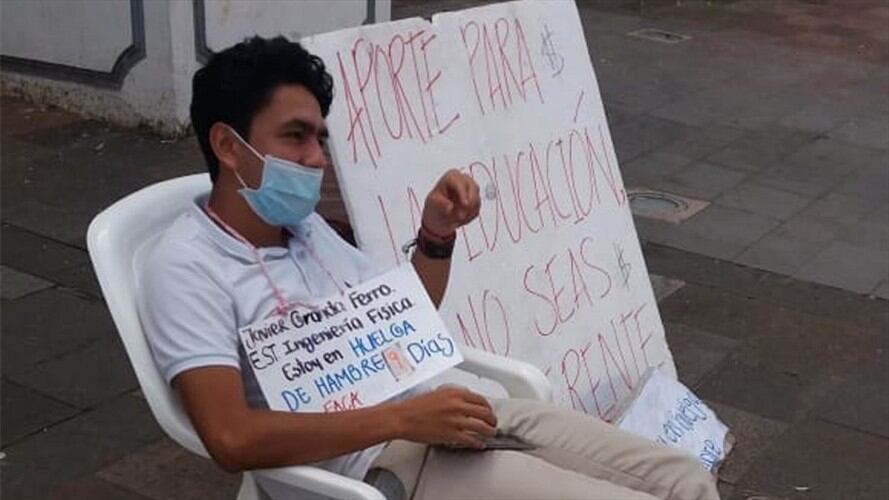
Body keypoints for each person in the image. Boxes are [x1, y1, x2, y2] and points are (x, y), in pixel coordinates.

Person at [138, 36, 720, 500]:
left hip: (451, 413)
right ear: (228, 144)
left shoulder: (308, 231)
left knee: (684, 479)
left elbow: (400, 319)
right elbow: (231, 439)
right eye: (295, 137)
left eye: (319, 138)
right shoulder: (187, 268)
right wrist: (401, 420)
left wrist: (436, 235)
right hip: (378, 467)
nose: (317, 159)